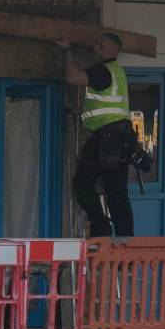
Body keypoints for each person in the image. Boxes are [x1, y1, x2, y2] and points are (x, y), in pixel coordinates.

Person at [59, 32, 134, 238]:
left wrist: (67, 50)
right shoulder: (118, 72)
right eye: (96, 44)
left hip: (106, 137)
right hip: (122, 138)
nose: (96, 48)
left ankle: (101, 229)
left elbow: (72, 77)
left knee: (83, 184)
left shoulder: (103, 71)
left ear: (113, 50)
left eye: (101, 46)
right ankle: (125, 245)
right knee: (117, 194)